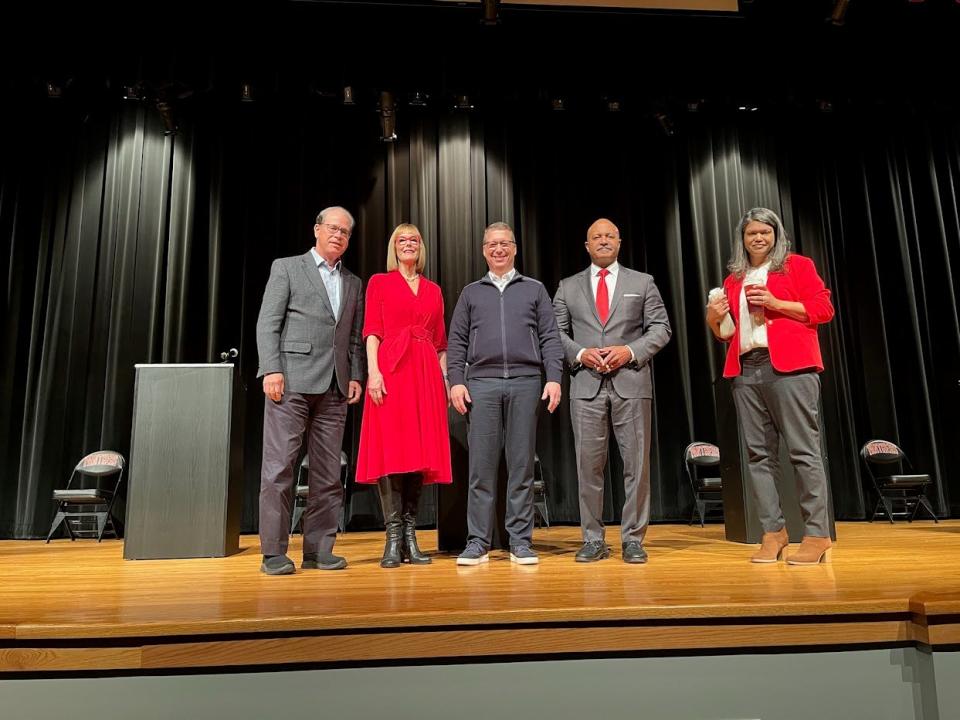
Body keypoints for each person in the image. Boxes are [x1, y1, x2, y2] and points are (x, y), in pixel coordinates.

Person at [706, 207, 835, 565]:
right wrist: (715, 320)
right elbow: (728, 334)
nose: (758, 238)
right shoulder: (734, 279)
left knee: (802, 452)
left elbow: (823, 309)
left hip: (791, 367)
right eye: (751, 233)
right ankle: (773, 533)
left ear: (776, 234)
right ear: (742, 239)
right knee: (758, 456)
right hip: (747, 369)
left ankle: (817, 534)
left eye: (765, 232)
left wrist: (777, 303)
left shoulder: (797, 266)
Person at [553, 218, 672, 564]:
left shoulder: (643, 282)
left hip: (632, 385)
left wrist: (629, 351)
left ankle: (633, 539)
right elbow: (554, 331)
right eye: (596, 237)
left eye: (609, 236)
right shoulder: (567, 287)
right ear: (587, 245)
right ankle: (592, 539)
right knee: (588, 467)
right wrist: (580, 353)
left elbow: (661, 328)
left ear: (619, 243)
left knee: (637, 466)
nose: (603, 241)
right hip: (586, 387)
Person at [255, 206, 364, 575]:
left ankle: (318, 549)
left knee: (327, 473)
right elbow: (268, 322)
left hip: (334, 387)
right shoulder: (286, 267)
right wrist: (271, 368)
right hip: (291, 382)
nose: (338, 235)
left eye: (345, 232)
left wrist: (355, 375)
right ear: (316, 229)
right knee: (279, 468)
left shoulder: (353, 282)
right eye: (332, 228)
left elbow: (351, 338)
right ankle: (273, 552)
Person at [447, 222, 564, 566]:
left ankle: (520, 541)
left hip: (526, 383)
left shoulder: (535, 289)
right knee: (481, 469)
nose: (498, 249)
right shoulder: (471, 293)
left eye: (504, 244)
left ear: (515, 248)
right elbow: (456, 342)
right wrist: (456, 380)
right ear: (484, 250)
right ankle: (478, 542)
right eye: (492, 245)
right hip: (481, 385)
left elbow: (550, 338)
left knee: (521, 466)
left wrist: (553, 377)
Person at [355, 223, 452, 568]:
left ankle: (411, 535)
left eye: (414, 240)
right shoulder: (379, 283)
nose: (408, 244)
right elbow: (372, 331)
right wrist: (374, 373)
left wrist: (444, 381)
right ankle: (393, 538)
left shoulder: (433, 290)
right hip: (391, 372)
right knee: (391, 451)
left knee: (419, 454)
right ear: (394, 248)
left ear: (420, 247)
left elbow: (441, 343)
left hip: (424, 374)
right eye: (401, 240)